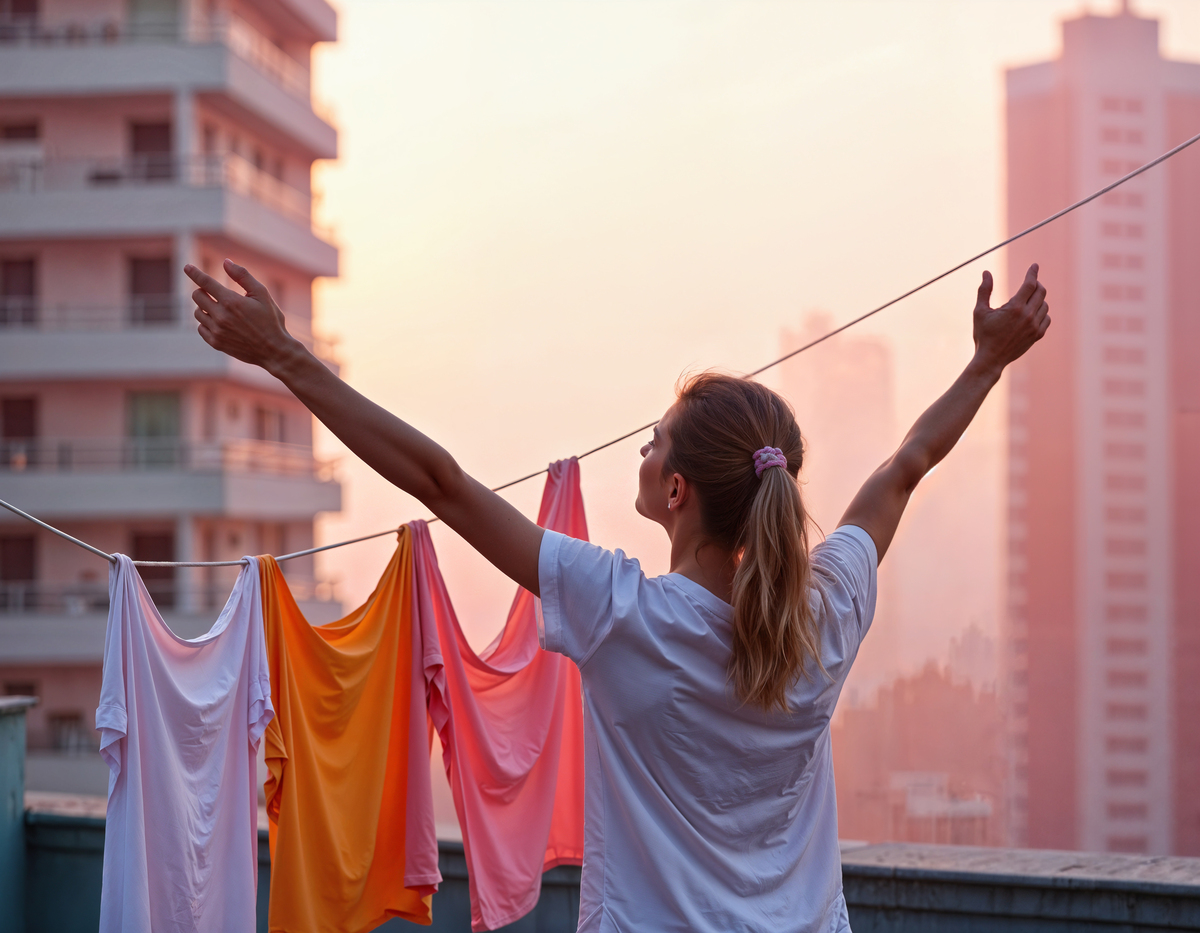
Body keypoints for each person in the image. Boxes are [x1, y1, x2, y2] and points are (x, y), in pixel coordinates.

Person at [186, 259, 1049, 932]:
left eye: (653, 442)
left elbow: (442, 484)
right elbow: (903, 469)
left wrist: (281, 356)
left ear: (677, 492)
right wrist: (987, 361)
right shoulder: (823, 615)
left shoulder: (624, 613)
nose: (641, 451)